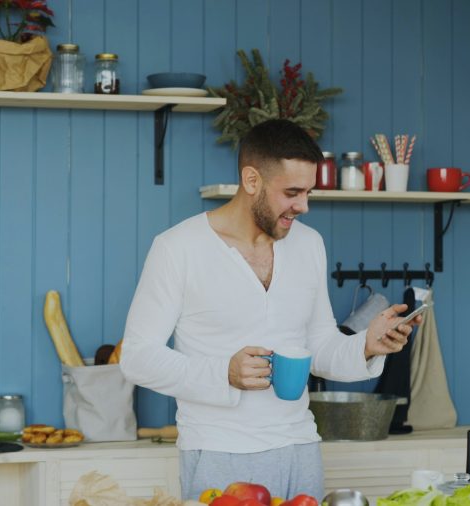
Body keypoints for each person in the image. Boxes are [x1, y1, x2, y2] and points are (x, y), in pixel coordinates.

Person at [119, 119, 421, 501]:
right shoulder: (177, 248)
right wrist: (223, 372)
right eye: (292, 192)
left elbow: (319, 347)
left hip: (300, 446)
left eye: (309, 192)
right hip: (217, 452)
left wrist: (367, 345)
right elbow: (137, 357)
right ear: (251, 180)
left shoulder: (309, 244)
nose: (304, 206)